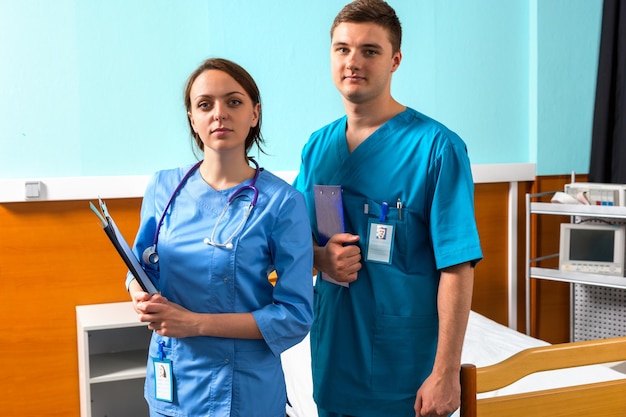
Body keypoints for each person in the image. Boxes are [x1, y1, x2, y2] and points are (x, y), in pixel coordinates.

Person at [292, 1, 483, 416]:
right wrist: (322, 258)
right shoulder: (318, 148)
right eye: (342, 49)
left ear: (395, 59)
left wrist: (446, 372)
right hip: (333, 357)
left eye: (370, 50)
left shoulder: (436, 148)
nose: (353, 62)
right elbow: (291, 243)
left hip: (405, 369)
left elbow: (457, 264)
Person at [127, 57, 314, 417]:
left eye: (233, 101)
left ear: (254, 113)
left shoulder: (282, 202)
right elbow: (140, 267)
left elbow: (295, 315)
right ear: (192, 118)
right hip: (172, 381)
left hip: (245, 390)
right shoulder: (162, 188)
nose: (219, 113)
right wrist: (140, 295)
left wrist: (195, 323)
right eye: (205, 104)